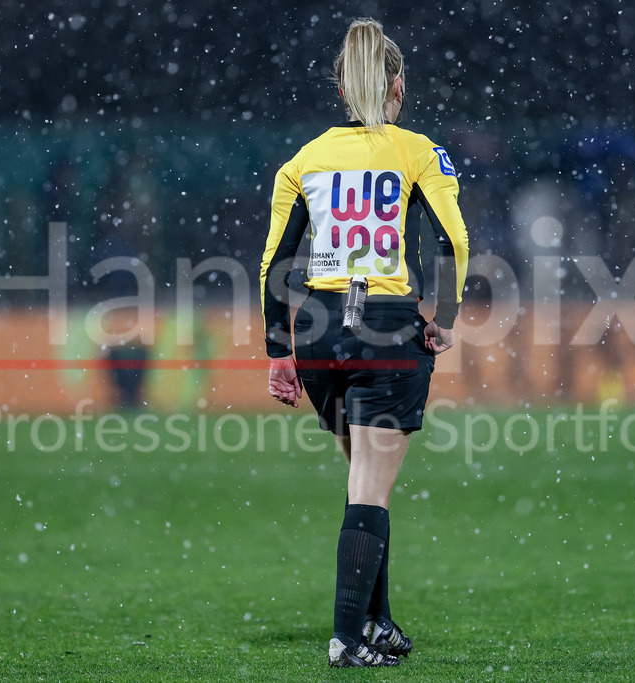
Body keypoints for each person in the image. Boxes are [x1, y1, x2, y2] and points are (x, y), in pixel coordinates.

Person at [259, 18, 470, 668]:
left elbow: (274, 264)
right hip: (385, 329)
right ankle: (347, 640)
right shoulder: (417, 152)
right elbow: (454, 241)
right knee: (371, 490)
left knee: (362, 482)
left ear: (342, 91)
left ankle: (376, 622)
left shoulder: (304, 159)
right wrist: (445, 316)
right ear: (397, 86)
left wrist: (278, 349)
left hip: (320, 331)